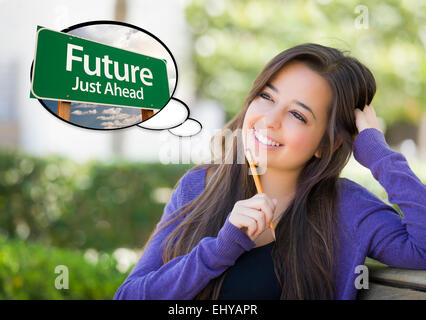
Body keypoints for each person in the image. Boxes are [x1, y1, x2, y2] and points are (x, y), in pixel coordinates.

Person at [114, 43, 426, 300]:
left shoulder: (347, 208)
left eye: (297, 115)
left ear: (325, 145)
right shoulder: (198, 186)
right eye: (267, 97)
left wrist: (378, 154)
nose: (269, 120)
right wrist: (220, 249)